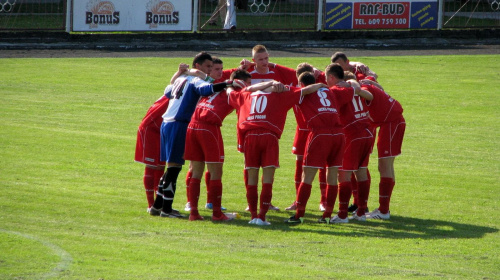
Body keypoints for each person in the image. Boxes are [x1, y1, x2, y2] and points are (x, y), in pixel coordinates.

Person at [227, 74, 327, 226]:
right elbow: (305, 91)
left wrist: (231, 84)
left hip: (250, 137)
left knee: (252, 177)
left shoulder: (245, 94)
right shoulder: (280, 95)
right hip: (269, 136)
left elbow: (229, 92)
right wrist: (320, 85)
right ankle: (262, 217)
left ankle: (253, 215)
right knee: (268, 179)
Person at [149, 52, 234, 218]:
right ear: (198, 66)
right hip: (178, 124)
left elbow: (167, 91)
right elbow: (207, 89)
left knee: (170, 168)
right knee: (174, 169)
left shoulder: (181, 79)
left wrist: (182, 73)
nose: (209, 70)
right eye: (208, 67)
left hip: (166, 123)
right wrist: (228, 83)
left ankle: (157, 206)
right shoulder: (196, 80)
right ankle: (166, 210)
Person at [183, 69, 251, 222]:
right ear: (241, 82)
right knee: (216, 171)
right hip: (209, 129)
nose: (248, 86)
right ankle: (217, 213)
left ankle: (193, 212)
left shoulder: (215, 85)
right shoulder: (236, 91)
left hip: (192, 126)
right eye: (247, 83)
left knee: (196, 170)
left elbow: (201, 76)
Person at [239, 44, 299, 211]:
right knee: (249, 163)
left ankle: (267, 202)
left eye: (267, 58)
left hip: (269, 125)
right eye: (260, 59)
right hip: (250, 123)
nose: (265, 62)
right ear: (253, 60)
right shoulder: (249, 74)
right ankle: (249, 203)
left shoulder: (275, 73)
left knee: (268, 166)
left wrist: (275, 66)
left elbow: (296, 77)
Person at [284, 72, 345, 225]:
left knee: (307, 175)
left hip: (319, 133)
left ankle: (299, 215)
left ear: (302, 84)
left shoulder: (302, 92)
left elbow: (292, 93)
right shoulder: (330, 91)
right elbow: (350, 90)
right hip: (338, 134)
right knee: (332, 175)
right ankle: (327, 216)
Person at [325, 63, 374, 223]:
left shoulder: (337, 90)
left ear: (332, 77)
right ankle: (361, 212)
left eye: (327, 78)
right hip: (366, 132)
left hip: (352, 134)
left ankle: (342, 214)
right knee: (361, 171)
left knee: (343, 174)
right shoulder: (353, 86)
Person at [184, 57, 231, 212]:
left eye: (219, 69)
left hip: (196, 125)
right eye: (213, 69)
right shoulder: (202, 83)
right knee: (194, 166)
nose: (218, 72)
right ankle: (191, 202)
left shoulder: (214, 82)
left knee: (207, 166)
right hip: (194, 124)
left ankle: (209, 202)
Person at [358, 78, 405, 220]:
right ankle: (384, 208)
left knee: (384, 166)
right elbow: (379, 89)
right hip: (391, 124)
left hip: (391, 124)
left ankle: (384, 211)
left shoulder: (362, 90)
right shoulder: (366, 84)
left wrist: (353, 88)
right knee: (387, 167)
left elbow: (369, 95)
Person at [286, 62, 328, 212]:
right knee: (302, 166)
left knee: (320, 165)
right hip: (302, 131)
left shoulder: (319, 91)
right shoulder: (300, 91)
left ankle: (323, 200)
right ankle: (301, 200)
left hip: (315, 130)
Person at [134, 93, 169, 213]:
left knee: (161, 165)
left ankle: (158, 203)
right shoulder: (180, 88)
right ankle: (150, 204)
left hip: (161, 129)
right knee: (152, 165)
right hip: (150, 129)